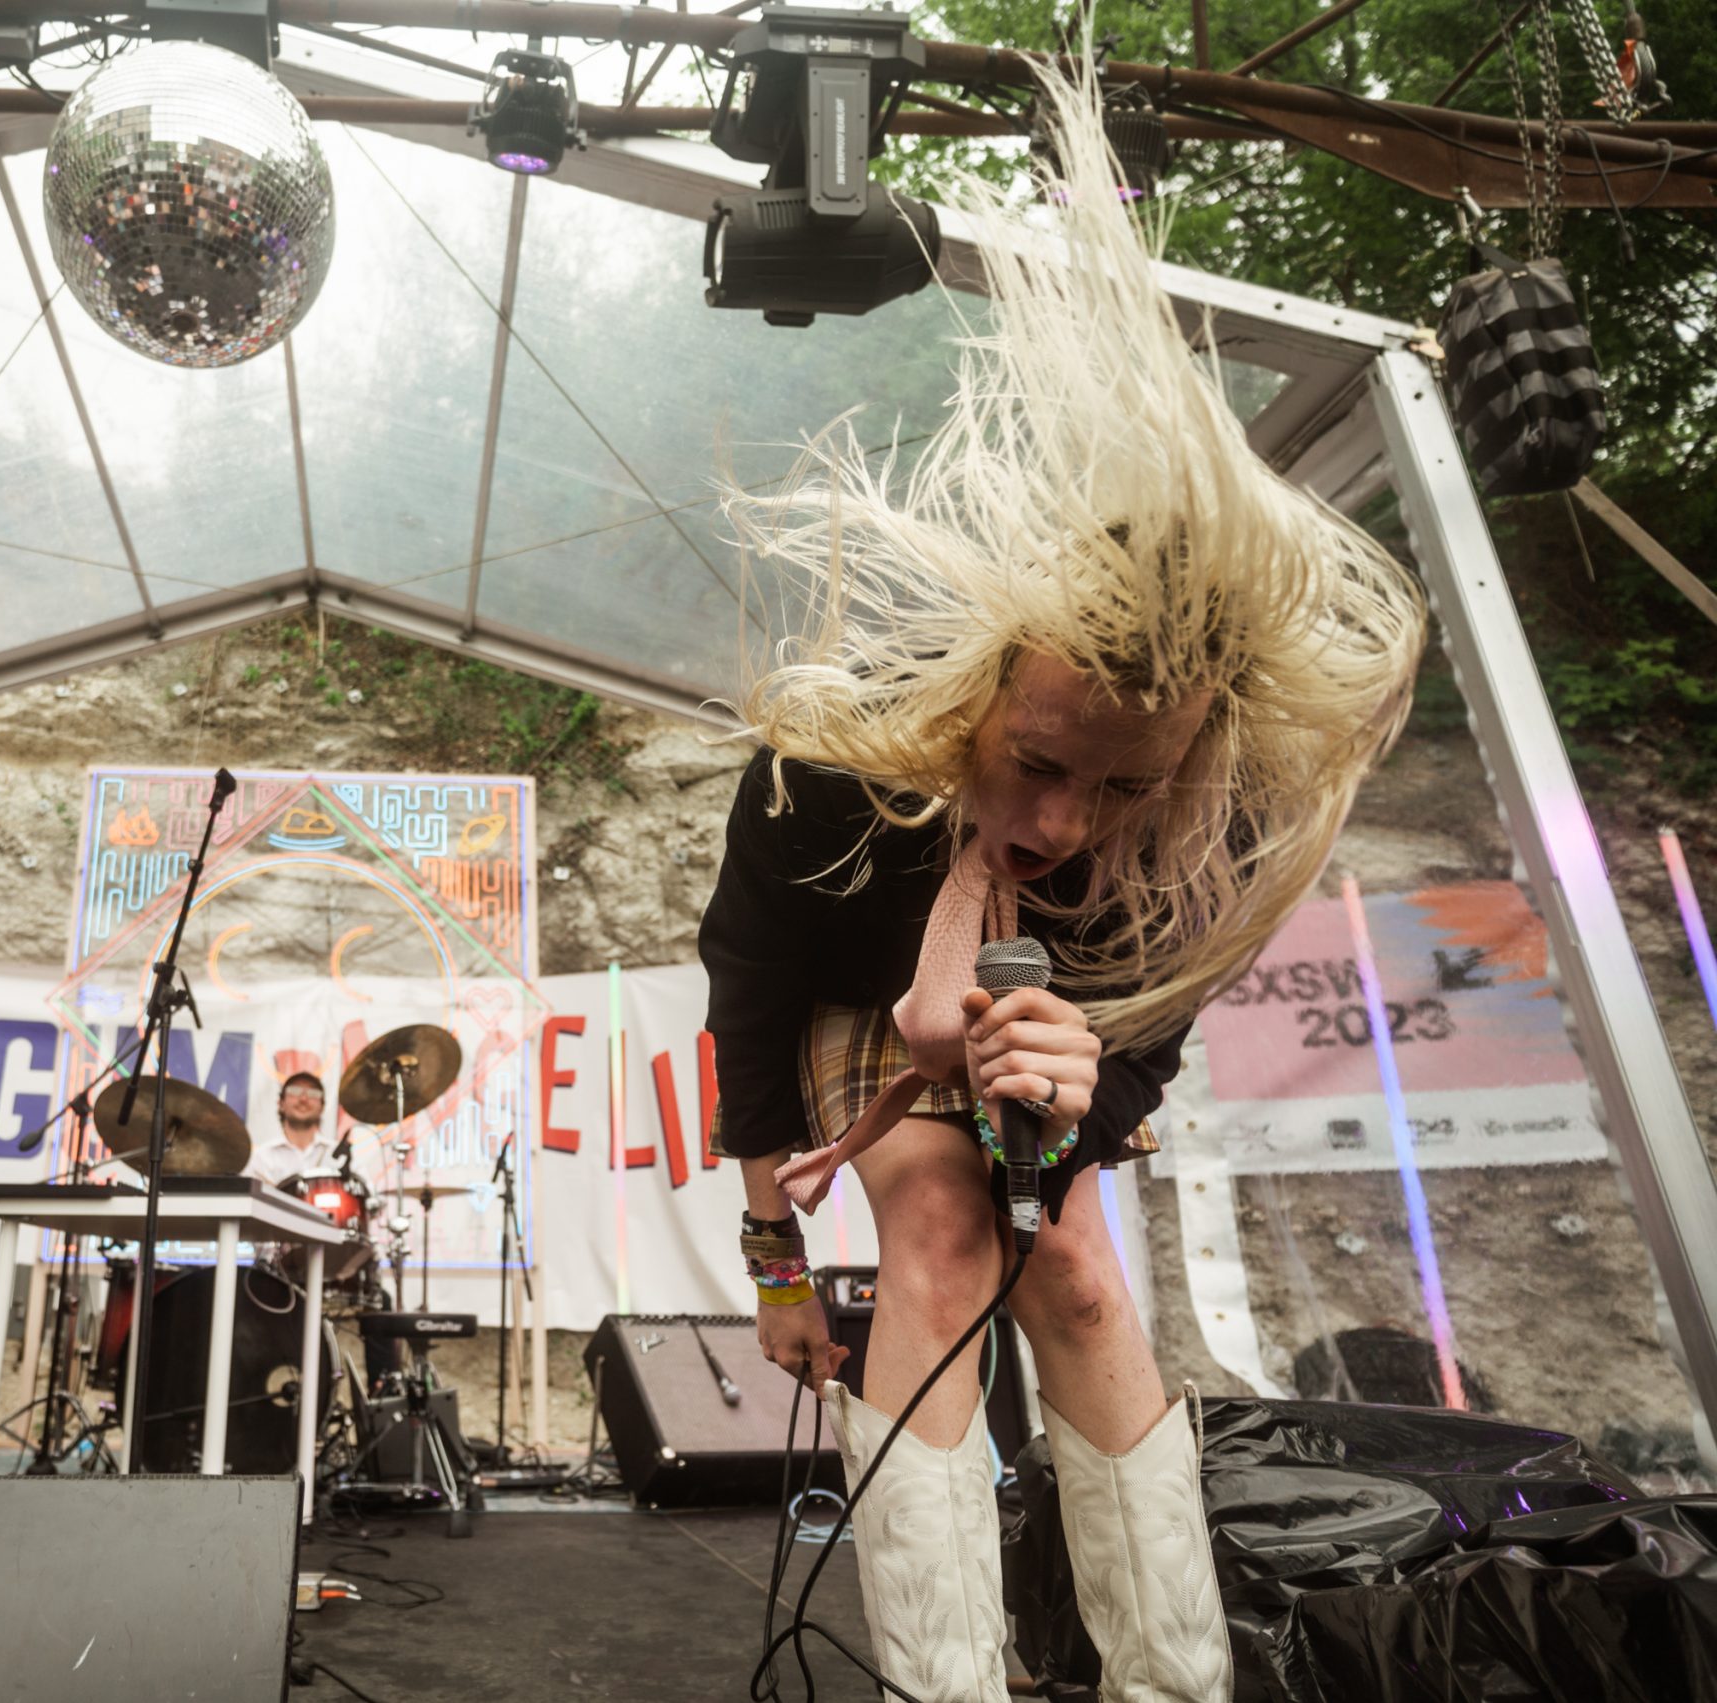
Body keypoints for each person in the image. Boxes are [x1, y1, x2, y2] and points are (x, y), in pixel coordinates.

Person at [699, 63, 1424, 1703]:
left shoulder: (1221, 822)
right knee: (940, 1228)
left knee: (1081, 1280)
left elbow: (1153, 1027)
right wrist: (776, 1258)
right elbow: (748, 987)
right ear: (979, 690)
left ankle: (1176, 1678)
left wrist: (1088, 1091)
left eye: (1123, 783)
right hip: (855, 1002)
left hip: (1053, 1026)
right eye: (1036, 758)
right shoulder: (831, 770)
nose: (1062, 820)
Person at [251, 1071, 335, 1188]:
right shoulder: (261, 1158)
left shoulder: (339, 1156)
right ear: (281, 1104)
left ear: (322, 1107)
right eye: (295, 1091)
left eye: (313, 1093)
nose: (304, 1099)